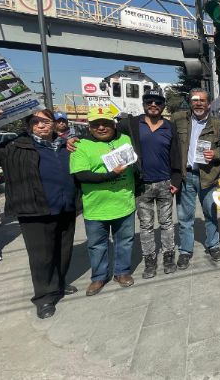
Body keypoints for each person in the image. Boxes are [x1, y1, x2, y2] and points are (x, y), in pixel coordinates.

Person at [0, 106, 75, 318]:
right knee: (42, 257)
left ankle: (59, 284)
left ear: (54, 123)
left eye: (46, 120)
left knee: (63, 252)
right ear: (28, 126)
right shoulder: (14, 146)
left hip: (66, 208)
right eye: (36, 122)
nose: (41, 125)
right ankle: (44, 297)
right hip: (34, 211)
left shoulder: (65, 145)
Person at [71, 89, 182, 278]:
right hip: (141, 184)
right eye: (149, 101)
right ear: (144, 103)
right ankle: (150, 261)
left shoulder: (170, 127)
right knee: (146, 226)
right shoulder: (129, 124)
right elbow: (102, 133)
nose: (153, 105)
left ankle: (169, 256)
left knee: (167, 223)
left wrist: (176, 179)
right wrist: (75, 140)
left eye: (158, 101)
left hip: (165, 183)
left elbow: (176, 154)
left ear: (163, 104)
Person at [69, 106, 136, 297]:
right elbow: (81, 175)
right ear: (89, 126)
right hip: (96, 207)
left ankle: (122, 273)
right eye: (96, 124)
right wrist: (110, 175)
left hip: (124, 203)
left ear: (113, 124)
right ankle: (98, 277)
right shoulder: (80, 145)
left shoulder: (125, 140)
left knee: (124, 241)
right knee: (97, 244)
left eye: (105, 123)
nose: (101, 127)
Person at [171, 88, 220, 267]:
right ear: (190, 102)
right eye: (195, 100)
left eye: (202, 100)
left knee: (210, 213)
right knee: (185, 217)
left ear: (209, 104)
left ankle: (213, 245)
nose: (198, 103)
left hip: (208, 176)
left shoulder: (217, 124)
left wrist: (215, 153)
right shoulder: (178, 120)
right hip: (186, 176)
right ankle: (185, 250)